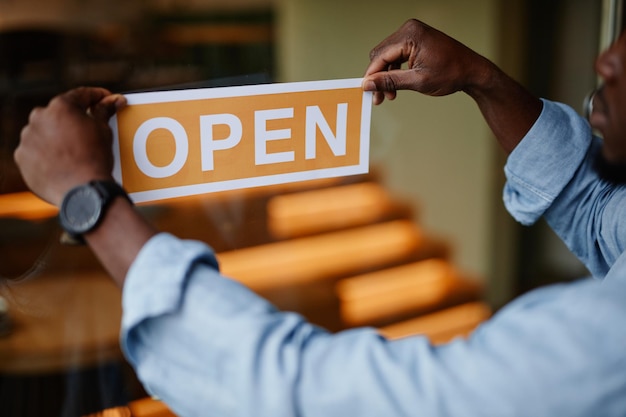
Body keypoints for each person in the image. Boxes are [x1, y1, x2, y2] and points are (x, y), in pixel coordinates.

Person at [14, 18, 626, 417]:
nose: (607, 61)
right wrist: (482, 79)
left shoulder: (606, 346)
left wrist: (87, 197)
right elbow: (598, 211)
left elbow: (311, 394)